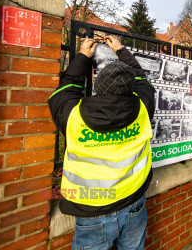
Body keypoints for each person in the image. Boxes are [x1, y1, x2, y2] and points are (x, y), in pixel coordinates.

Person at [48, 36, 155, 250]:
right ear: (130, 88)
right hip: (134, 202)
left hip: (92, 213)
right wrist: (122, 50)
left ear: (96, 88)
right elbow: (143, 81)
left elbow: (66, 89)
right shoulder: (143, 107)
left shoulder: (73, 116)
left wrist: (83, 56)